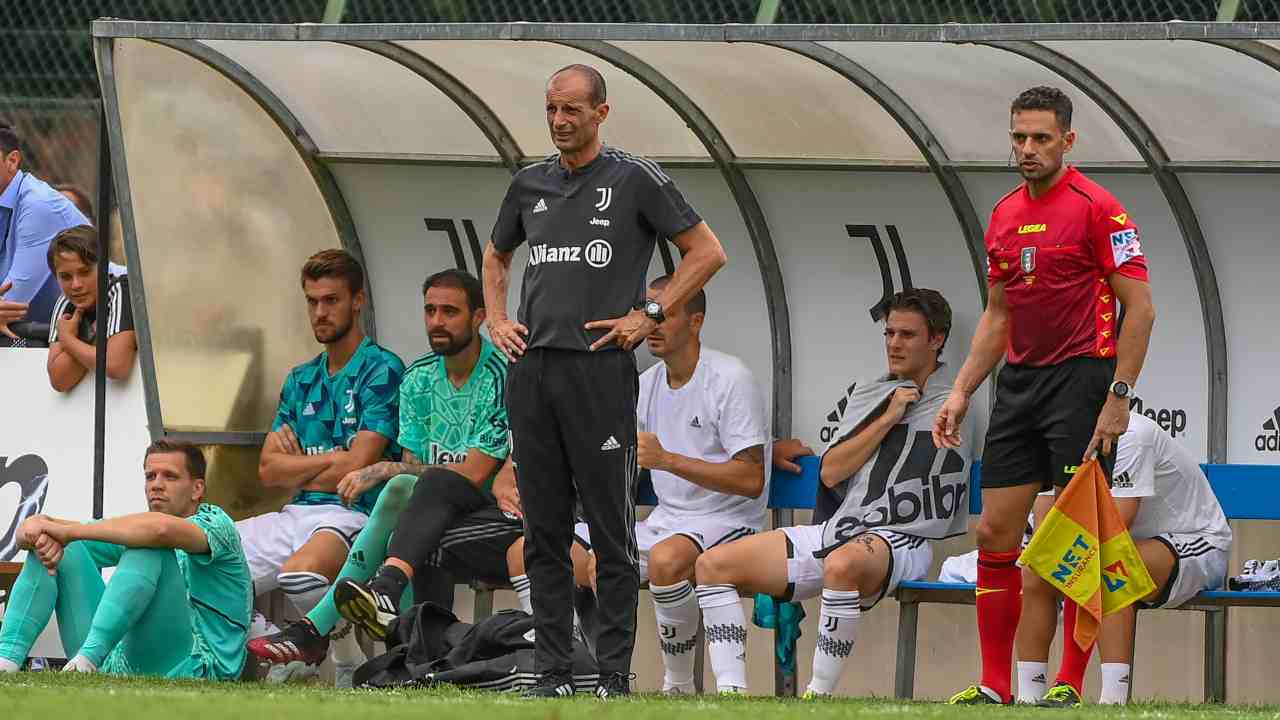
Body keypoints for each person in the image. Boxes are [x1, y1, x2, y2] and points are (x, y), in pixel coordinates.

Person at [483, 63, 727, 698]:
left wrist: (646, 313)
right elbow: (496, 253)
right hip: (534, 372)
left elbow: (707, 252)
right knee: (543, 529)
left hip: (599, 372)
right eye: (552, 110)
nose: (561, 122)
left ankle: (614, 677)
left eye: (572, 110)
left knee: (611, 531)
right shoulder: (528, 183)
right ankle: (553, 673)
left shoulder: (633, 177)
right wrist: (497, 319)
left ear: (601, 114)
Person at [933, 86, 1156, 705]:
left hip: (1083, 379)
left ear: (1067, 141)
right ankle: (998, 685)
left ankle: (1068, 683)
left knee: (1075, 536)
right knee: (994, 532)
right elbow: (997, 315)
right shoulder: (1004, 213)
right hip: (1020, 384)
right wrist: (959, 391)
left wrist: (1118, 396)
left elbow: (1140, 310)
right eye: (1018, 138)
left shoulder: (1098, 207)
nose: (1027, 149)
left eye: (1040, 138)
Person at [695, 289, 973, 696]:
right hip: (841, 529)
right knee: (712, 566)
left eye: (908, 335)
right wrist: (888, 415)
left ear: (937, 339)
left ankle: (818, 696)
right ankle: (730, 696)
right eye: (889, 334)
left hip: (906, 538)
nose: (894, 344)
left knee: (842, 565)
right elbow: (830, 472)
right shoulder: (871, 393)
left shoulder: (954, 401)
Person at [246, 269, 520, 678]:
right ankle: (409, 654)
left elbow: (476, 473)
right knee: (413, 500)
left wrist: (389, 467)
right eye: (429, 311)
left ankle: (339, 618)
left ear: (480, 316)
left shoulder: (501, 371)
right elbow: (410, 470)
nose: (437, 321)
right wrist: (397, 469)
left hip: (486, 509)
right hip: (431, 509)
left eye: (450, 311)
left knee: (425, 486)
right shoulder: (419, 376)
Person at [508, 275, 769, 694]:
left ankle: (677, 685)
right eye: (647, 313)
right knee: (528, 551)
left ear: (696, 321)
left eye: (664, 314)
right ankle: (566, 667)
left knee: (663, 561)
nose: (653, 324)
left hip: (726, 520)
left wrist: (668, 460)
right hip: (667, 521)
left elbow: (752, 479)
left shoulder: (729, 377)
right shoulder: (644, 383)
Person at [236, 249, 404, 683]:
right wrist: (333, 460)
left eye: (331, 300)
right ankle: (284, 647)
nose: (320, 312)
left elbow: (360, 466)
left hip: (353, 512)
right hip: (296, 511)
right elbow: (269, 471)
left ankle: (348, 664)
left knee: (302, 575)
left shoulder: (381, 368)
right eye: (312, 301)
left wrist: (303, 461)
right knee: (202, 558)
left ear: (358, 301)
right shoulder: (300, 378)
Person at [1015, 413, 1231, 706]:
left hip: (1198, 541)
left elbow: (1117, 523)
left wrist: (1065, 553)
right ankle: (1030, 699)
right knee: (1035, 570)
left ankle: (1113, 702)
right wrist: (1047, 557)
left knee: (1110, 566)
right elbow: (1044, 524)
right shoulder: (1053, 432)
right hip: (1126, 546)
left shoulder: (1131, 433)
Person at [0, 440, 251, 679]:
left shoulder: (217, 524)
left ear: (197, 489)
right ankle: (6, 662)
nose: (157, 485)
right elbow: (40, 531)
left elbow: (160, 531)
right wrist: (36, 529)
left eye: (170, 476)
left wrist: (64, 531)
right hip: (121, 660)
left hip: (196, 666)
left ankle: (86, 662)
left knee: (149, 546)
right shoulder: (144, 527)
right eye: (150, 476)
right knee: (63, 547)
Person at [0, 123, 91, 341]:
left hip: (97, 334)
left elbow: (12, 301)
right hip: (45, 335)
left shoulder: (38, 205)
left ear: (12, 161)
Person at [44, 225, 137, 391]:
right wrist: (95, 338)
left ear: (103, 267)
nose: (76, 285)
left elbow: (116, 365)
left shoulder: (120, 288)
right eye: (65, 277)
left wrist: (69, 340)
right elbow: (59, 380)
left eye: (85, 272)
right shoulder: (65, 302)